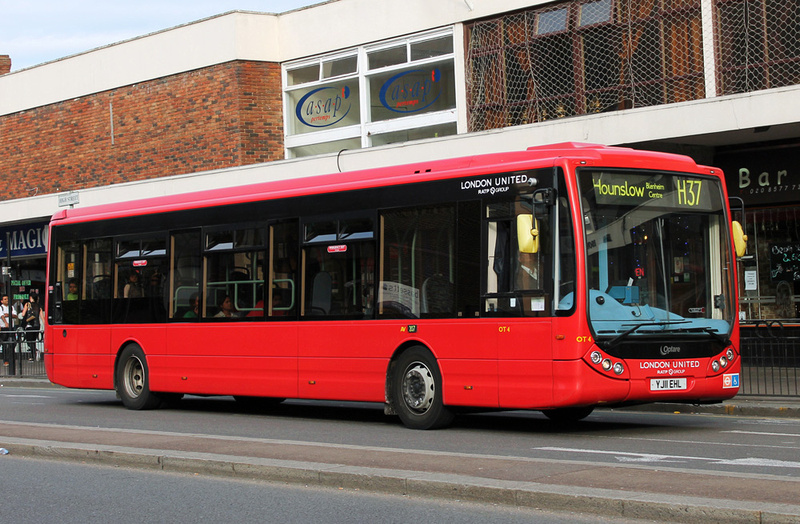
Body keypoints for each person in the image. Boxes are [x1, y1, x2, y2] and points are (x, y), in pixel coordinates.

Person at [20, 294, 43, 361]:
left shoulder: (27, 304)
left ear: (30, 298)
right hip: (37, 325)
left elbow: (23, 314)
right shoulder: (39, 306)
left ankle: (33, 354)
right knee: (33, 340)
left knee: (29, 341)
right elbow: (42, 317)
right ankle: (34, 353)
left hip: (29, 325)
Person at [1, 294, 10, 366]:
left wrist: (9, 315)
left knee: (10, 344)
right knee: (4, 344)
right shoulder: (1, 308)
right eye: (5, 299)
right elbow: (2, 316)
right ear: (1, 301)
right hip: (3, 328)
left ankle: (8, 359)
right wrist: (6, 322)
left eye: (7, 299)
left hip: (10, 328)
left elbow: (15, 315)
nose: (7, 300)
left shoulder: (11, 307)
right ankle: (5, 360)